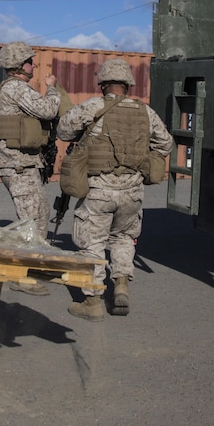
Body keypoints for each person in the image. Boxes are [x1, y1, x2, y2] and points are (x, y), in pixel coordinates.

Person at [56, 58, 173, 321]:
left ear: (103, 84)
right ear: (128, 85)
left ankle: (93, 301)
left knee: (92, 243)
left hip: (99, 189)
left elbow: (63, 131)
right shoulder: (146, 112)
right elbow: (165, 144)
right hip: (132, 190)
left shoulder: (94, 106)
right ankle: (121, 286)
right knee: (122, 238)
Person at [0, 41, 63, 296]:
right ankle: (21, 276)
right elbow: (47, 110)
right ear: (21, 65)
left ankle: (32, 267)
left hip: (23, 163)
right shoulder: (16, 88)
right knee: (30, 221)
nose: (34, 65)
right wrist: (52, 89)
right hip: (17, 164)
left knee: (39, 214)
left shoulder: (11, 88)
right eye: (30, 61)